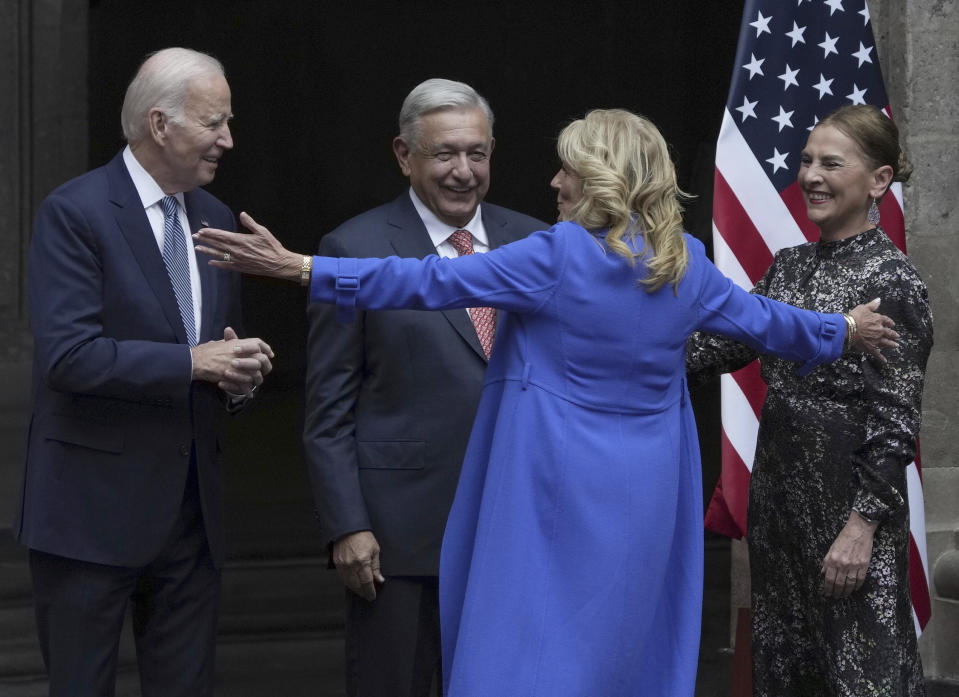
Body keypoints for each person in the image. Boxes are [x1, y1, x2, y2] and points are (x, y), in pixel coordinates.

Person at [194, 108, 898, 697]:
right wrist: (844, 329)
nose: (554, 181)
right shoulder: (681, 258)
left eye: (567, 167)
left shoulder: (555, 253)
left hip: (553, 480)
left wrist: (300, 268)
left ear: (600, 177)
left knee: (535, 640)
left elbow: (417, 282)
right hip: (646, 487)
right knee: (623, 634)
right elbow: (765, 321)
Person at [16, 47, 273, 697]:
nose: (228, 140)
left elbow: (213, 353)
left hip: (190, 518)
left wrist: (239, 376)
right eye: (215, 123)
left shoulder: (214, 220)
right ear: (161, 124)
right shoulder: (76, 212)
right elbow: (68, 356)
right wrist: (193, 361)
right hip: (89, 516)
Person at [303, 78, 545, 696]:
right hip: (399, 541)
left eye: (477, 153)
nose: (463, 171)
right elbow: (328, 410)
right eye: (444, 154)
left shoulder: (539, 243)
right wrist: (346, 526)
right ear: (404, 155)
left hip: (517, 529)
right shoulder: (352, 250)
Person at [687, 104, 932, 696]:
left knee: (859, 676)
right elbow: (711, 351)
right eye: (805, 161)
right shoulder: (789, 267)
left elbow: (895, 422)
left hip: (849, 516)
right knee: (785, 674)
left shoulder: (893, 280)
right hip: (781, 512)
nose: (812, 176)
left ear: (878, 180)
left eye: (831, 163)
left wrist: (861, 527)